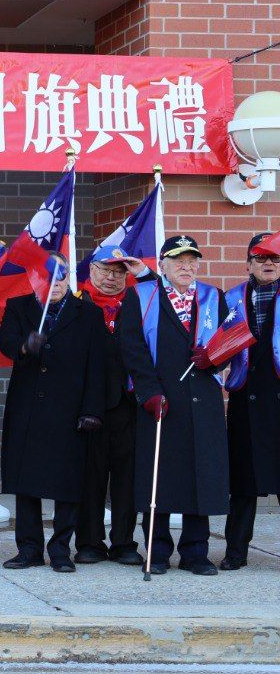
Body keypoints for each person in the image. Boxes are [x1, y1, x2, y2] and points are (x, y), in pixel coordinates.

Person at [118, 235, 229, 576]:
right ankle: (159, 550)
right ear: (162, 265)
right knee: (159, 476)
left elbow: (227, 340)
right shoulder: (142, 296)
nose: (187, 266)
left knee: (201, 474)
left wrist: (213, 360)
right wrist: (149, 392)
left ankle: (196, 552)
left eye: (193, 260)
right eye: (179, 260)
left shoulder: (213, 297)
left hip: (203, 401)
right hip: (161, 400)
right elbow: (132, 347)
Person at [0, 252, 106, 572]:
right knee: (26, 481)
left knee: (67, 483)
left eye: (60, 277)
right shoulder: (20, 307)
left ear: (68, 277)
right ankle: (29, 548)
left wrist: (92, 410)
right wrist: (24, 345)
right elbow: (6, 342)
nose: (54, 283)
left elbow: (96, 367)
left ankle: (60, 548)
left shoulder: (87, 313)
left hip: (69, 411)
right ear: (35, 279)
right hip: (28, 410)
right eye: (47, 277)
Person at [74, 246, 154, 566]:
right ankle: (89, 541)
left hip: (129, 404)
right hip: (90, 404)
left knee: (127, 478)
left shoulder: (139, 301)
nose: (111, 278)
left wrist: (144, 273)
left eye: (119, 272)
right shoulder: (77, 302)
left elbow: (165, 296)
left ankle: (123, 542)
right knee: (90, 477)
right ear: (91, 270)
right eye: (105, 270)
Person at [221, 234, 280, 571]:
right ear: (248, 264)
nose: (268, 264)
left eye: (275, 259)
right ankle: (235, 552)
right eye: (260, 258)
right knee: (242, 483)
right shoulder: (231, 299)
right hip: (245, 397)